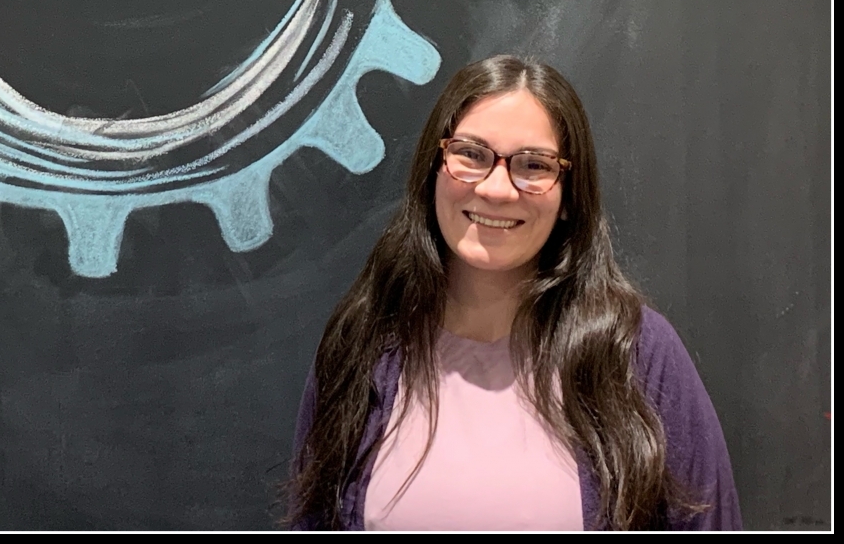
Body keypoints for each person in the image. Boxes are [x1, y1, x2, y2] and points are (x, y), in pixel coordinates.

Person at [286, 55, 741, 531]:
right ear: (433, 169)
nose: (497, 189)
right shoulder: (362, 344)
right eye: (471, 154)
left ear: (568, 196)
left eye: (534, 165)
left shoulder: (638, 355)